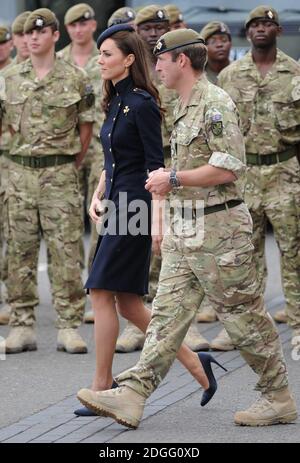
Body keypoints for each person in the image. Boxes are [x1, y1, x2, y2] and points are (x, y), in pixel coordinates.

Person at [77, 28, 297, 429]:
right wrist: (165, 209)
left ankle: (278, 395)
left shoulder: (214, 103)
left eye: (161, 59)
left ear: (182, 60)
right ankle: (133, 393)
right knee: (165, 315)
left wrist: (173, 179)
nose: (155, 66)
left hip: (220, 229)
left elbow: (229, 166)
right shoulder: (183, 105)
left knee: (243, 318)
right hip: (187, 226)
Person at [74, 24, 225, 417]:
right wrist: (99, 188)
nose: (100, 59)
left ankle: (101, 384)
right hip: (117, 205)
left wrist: (156, 221)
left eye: (107, 54)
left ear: (128, 60)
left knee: (100, 292)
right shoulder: (116, 99)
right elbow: (115, 158)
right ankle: (198, 366)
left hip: (135, 207)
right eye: (100, 54)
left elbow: (153, 166)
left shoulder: (141, 103)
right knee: (128, 305)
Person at [0, 8, 95, 354]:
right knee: (19, 251)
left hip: (60, 176)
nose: (34, 37)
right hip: (20, 175)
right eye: (29, 33)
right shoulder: (8, 78)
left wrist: (71, 162)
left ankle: (69, 325)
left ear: (57, 36)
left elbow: (86, 126)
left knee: (66, 251)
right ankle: (22, 324)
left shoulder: (76, 78)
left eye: (42, 31)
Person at [116, 4, 209, 353]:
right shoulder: (135, 78)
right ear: (136, 33)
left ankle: (186, 327)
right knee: (139, 252)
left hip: (181, 174)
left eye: (160, 27)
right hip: (141, 177)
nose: (154, 33)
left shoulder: (177, 71)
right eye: (146, 27)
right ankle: (136, 323)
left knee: (184, 253)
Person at [218, 5, 300, 348]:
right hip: (244, 174)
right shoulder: (229, 77)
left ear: (278, 31)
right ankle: (244, 329)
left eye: (268, 24)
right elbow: (219, 133)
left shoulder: (295, 73)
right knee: (243, 254)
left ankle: (298, 324)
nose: (261, 29)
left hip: (285, 172)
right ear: (247, 32)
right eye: (255, 24)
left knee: (293, 251)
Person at [196, 20, 235, 350]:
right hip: (194, 181)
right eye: (213, 40)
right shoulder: (189, 89)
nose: (219, 44)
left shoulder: (222, 91)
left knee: (234, 256)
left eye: (224, 39)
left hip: (228, 178)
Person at [0, 12, 32, 328]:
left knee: (16, 235)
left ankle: (17, 300)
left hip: (20, 165)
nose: (27, 41)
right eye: (21, 35)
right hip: (8, 162)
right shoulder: (7, 78)